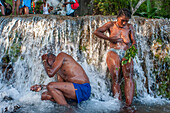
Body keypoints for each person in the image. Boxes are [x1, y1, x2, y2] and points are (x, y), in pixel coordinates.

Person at [93, 8, 137, 106]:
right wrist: (109, 38)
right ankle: (117, 104)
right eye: (123, 20)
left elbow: (134, 42)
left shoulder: (129, 27)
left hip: (127, 52)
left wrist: (131, 53)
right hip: (113, 51)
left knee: (128, 75)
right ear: (118, 18)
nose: (125, 23)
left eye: (127, 21)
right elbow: (96, 32)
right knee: (115, 76)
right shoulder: (111, 25)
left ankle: (128, 105)